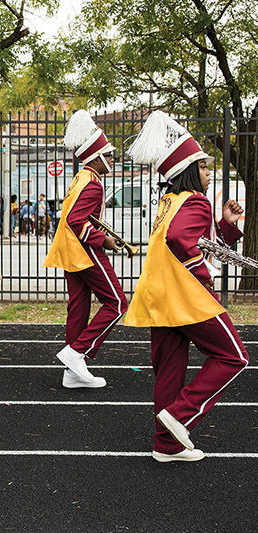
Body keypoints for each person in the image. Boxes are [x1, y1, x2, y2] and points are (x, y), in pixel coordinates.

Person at [125, 111, 249, 462]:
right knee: (234, 356)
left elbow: (197, 240)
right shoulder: (195, 200)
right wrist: (202, 275)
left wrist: (225, 225)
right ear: (191, 170)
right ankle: (182, 414)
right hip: (186, 297)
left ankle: (167, 445)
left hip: (160, 298)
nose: (210, 173)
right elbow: (184, 242)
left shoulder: (170, 201)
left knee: (168, 369)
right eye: (206, 167)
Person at [43, 110, 127, 389]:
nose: (113, 159)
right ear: (96, 157)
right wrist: (104, 240)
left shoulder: (81, 178)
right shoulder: (93, 183)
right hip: (84, 251)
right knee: (117, 303)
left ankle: (72, 372)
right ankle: (77, 352)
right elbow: (75, 220)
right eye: (109, 155)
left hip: (71, 250)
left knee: (78, 308)